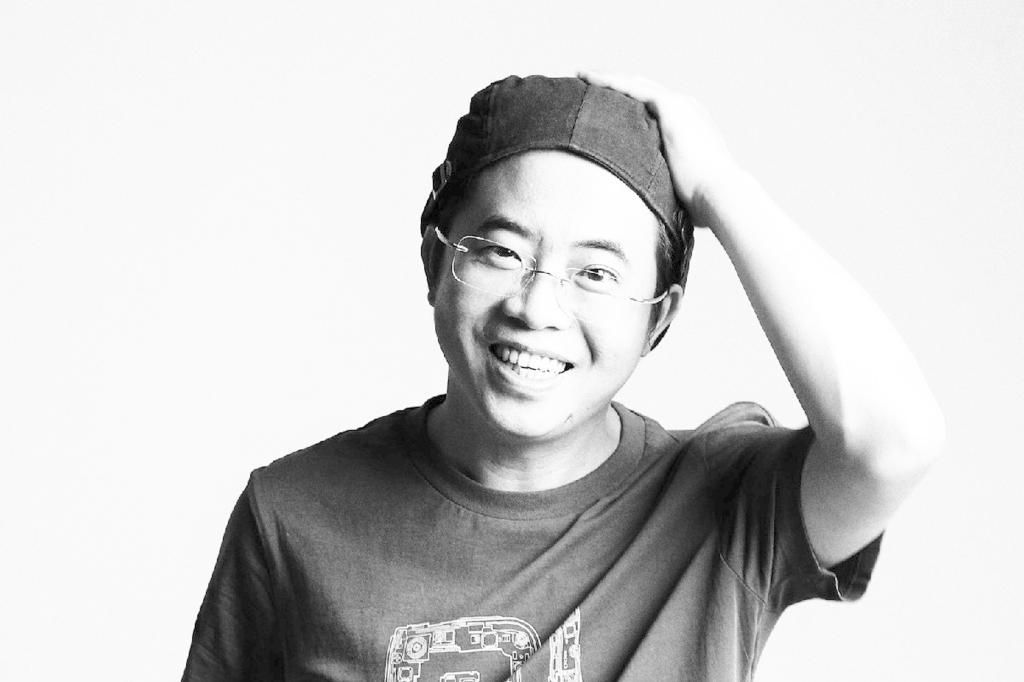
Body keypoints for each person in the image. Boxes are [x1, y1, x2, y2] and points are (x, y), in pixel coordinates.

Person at [182, 74, 945, 681]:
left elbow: (894, 443)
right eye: (501, 251)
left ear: (659, 319)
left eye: (596, 273)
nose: (536, 307)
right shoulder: (291, 514)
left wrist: (719, 185)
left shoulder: (728, 508)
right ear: (436, 261)